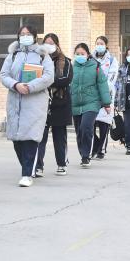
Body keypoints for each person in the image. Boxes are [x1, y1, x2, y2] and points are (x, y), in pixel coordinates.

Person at [0, 24, 55, 187]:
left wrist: (30, 86)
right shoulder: (13, 54)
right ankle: (27, 167)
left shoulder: (43, 55)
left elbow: (49, 76)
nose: (25, 36)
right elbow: (4, 74)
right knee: (17, 139)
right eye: (22, 34)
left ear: (35, 36)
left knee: (30, 137)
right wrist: (16, 85)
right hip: (15, 100)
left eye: (28, 33)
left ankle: (27, 173)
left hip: (35, 102)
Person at [36, 33, 73, 176]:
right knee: (40, 136)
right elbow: (33, 77)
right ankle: (38, 165)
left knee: (59, 136)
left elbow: (65, 80)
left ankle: (61, 163)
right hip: (42, 103)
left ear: (57, 44)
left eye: (52, 43)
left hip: (60, 103)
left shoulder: (66, 62)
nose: (49, 46)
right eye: (46, 43)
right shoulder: (38, 60)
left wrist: (46, 80)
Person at [71, 43, 112, 168]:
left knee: (86, 127)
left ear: (88, 54)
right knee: (79, 131)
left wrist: (106, 103)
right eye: (77, 54)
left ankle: (86, 155)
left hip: (92, 103)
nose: (80, 56)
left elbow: (102, 85)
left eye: (82, 54)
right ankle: (84, 152)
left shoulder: (95, 66)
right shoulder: (72, 68)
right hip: (76, 104)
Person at [91, 36, 118, 159]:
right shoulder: (90, 58)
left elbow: (112, 78)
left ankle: (101, 149)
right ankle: (95, 145)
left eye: (101, 43)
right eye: (97, 43)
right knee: (90, 123)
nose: (99, 45)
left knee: (104, 124)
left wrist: (102, 89)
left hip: (106, 95)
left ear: (106, 45)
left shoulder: (112, 60)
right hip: (91, 96)